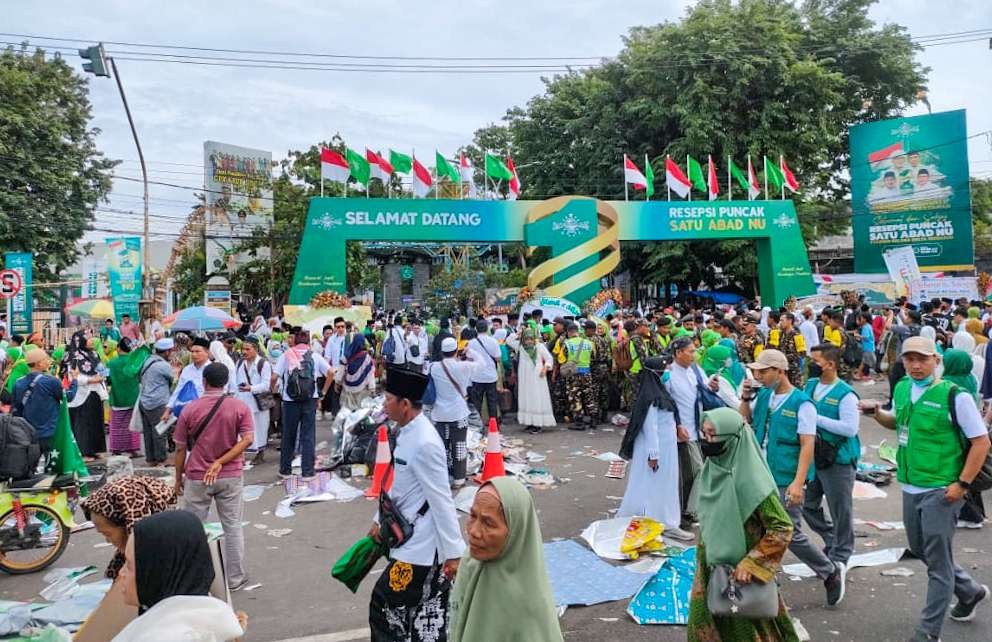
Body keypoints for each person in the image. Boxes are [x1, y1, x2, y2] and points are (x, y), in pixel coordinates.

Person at [865, 337, 990, 641]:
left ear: (937, 360)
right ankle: (969, 591)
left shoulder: (954, 396)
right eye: (909, 359)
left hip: (941, 489)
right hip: (910, 486)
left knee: (937, 564)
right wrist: (877, 414)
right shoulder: (903, 387)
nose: (916, 365)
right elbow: (897, 422)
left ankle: (927, 633)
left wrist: (961, 485)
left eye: (922, 359)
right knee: (921, 550)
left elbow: (981, 442)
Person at [741, 348, 845, 606]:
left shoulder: (802, 403)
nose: (759, 375)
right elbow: (745, 421)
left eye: (764, 371)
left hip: (787, 477)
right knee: (759, 529)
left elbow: (807, 444)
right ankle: (767, 584)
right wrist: (744, 398)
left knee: (789, 532)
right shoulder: (763, 396)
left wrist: (799, 483)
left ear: (780, 371)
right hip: (760, 472)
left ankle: (829, 572)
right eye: (757, 371)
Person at [368, 367, 465, 642]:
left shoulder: (425, 442)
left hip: (421, 547)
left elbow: (441, 498)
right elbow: (399, 488)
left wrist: (454, 553)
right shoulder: (407, 431)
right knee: (425, 617)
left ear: (405, 405)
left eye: (388, 399)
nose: (384, 404)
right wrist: (378, 520)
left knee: (384, 604)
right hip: (407, 537)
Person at [687, 408, 800, 641]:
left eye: (712, 435)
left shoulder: (754, 483)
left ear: (732, 438)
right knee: (705, 625)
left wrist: (752, 563)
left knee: (747, 630)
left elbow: (782, 527)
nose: (706, 441)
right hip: (710, 569)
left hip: (741, 577)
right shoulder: (712, 470)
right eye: (704, 434)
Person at [449, 477, 563, 642]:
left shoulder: (528, 603)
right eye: (473, 516)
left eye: (488, 523)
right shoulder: (469, 561)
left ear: (515, 531)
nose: (474, 531)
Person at [174, 362, 254, 592]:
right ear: (226, 382)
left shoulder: (190, 409)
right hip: (230, 475)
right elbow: (247, 439)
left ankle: (196, 580)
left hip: (197, 476)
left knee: (194, 529)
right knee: (232, 527)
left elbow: (180, 449)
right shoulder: (239, 407)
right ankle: (235, 579)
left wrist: (178, 479)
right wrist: (221, 462)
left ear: (204, 382)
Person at [113, 510, 244, 642]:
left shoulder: (163, 636)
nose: (121, 573)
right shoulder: (212, 614)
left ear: (158, 572)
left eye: (129, 565)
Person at [618, 356, 693, 539]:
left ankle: (661, 521)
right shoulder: (651, 397)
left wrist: (678, 427)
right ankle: (663, 523)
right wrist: (653, 454)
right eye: (665, 369)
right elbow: (649, 427)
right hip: (656, 451)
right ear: (657, 374)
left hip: (666, 449)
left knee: (661, 486)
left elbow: (668, 419)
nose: (668, 372)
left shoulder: (660, 392)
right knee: (658, 487)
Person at [802, 344, 860, 572]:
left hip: (838, 459)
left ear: (831, 365)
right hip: (814, 456)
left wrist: (814, 418)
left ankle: (841, 555)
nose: (811, 365)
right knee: (807, 504)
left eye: (815, 361)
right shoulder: (810, 385)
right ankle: (832, 538)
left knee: (841, 510)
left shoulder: (845, 394)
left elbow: (849, 428)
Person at [79, 475, 175, 579]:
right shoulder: (131, 557)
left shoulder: (157, 568)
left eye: (107, 534)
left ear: (129, 525)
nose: (107, 540)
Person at [273, 331, 333, 480]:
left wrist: (273, 389)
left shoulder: (286, 355)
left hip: (289, 401)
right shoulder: (315, 356)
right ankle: (307, 472)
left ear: (294, 341)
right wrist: (323, 392)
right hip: (309, 400)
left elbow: (274, 376)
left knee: (288, 435)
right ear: (308, 343)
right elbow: (331, 372)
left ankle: (285, 470)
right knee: (308, 435)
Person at [940, 349, 986, 529]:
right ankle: (978, 513)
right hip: (972, 430)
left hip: (956, 435)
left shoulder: (947, 384)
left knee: (959, 477)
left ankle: (970, 516)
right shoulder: (971, 379)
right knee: (971, 475)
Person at [427, 337, 480, 488]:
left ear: (442, 352)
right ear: (456, 350)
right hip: (458, 413)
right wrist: (471, 352)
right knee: (459, 446)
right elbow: (480, 364)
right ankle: (459, 479)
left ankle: (442, 478)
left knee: (441, 448)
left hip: (439, 414)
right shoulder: (463, 367)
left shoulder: (433, 367)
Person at [665, 336, 705, 527]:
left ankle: (690, 509)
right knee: (695, 471)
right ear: (678, 353)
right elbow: (665, 404)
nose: (693, 355)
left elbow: (704, 392)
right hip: (683, 432)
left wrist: (711, 387)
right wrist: (675, 425)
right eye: (690, 351)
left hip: (698, 428)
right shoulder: (669, 374)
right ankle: (687, 512)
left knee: (693, 471)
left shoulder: (696, 370)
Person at [12, 349, 72, 453]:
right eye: (46, 359)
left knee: (30, 465)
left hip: (27, 433)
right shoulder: (51, 381)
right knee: (51, 466)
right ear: (39, 364)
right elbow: (68, 397)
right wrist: (75, 381)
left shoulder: (18, 383)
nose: (49, 361)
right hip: (49, 432)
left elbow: (16, 407)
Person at [63, 331, 108, 462]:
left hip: (96, 393)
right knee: (83, 424)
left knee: (96, 422)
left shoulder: (93, 354)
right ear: (80, 341)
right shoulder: (74, 356)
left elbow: (103, 369)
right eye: (88, 339)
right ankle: (84, 452)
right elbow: (73, 377)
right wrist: (92, 380)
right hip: (81, 394)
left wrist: (103, 375)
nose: (92, 341)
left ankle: (95, 450)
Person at [506, 329, 555, 433]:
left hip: (537, 377)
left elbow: (549, 359)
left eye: (531, 339)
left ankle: (537, 424)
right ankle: (530, 422)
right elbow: (508, 341)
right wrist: (518, 333)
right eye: (526, 339)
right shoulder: (520, 347)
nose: (529, 341)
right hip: (525, 379)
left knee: (536, 398)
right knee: (527, 398)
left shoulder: (539, 346)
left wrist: (545, 368)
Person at [136, 338, 175, 467]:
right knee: (160, 431)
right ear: (167, 352)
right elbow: (173, 380)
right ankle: (161, 459)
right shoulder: (163, 365)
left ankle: (151, 458)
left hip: (144, 401)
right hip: (157, 402)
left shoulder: (147, 361)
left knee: (148, 432)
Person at [236, 336, 272, 464]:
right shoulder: (240, 363)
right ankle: (241, 455)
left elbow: (266, 385)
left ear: (255, 349)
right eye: (243, 349)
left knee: (260, 428)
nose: (244, 352)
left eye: (247, 349)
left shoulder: (263, 364)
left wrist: (251, 388)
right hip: (243, 402)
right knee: (243, 430)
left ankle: (260, 453)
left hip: (258, 402)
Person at [106, 338, 143, 456]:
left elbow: (106, 380)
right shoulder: (135, 362)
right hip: (133, 397)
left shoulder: (110, 363)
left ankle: (116, 450)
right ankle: (133, 450)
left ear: (118, 348)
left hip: (117, 397)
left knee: (117, 425)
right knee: (132, 424)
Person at [162, 337, 211, 425]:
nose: (194, 354)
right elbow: (178, 390)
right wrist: (168, 410)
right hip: (186, 413)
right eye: (192, 351)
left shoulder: (213, 369)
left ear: (207, 352)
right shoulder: (187, 369)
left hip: (206, 413)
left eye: (197, 351)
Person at [467, 319, 502, 428]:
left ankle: (477, 427)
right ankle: (494, 427)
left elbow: (469, 358)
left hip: (477, 376)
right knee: (492, 402)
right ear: (487, 328)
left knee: (477, 403)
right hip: (491, 376)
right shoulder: (493, 341)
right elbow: (498, 358)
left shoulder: (471, 343)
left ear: (476, 329)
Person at [562, 322, 597, 430]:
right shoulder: (589, 343)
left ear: (569, 332)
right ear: (577, 332)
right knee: (589, 396)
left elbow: (563, 358)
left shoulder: (567, 343)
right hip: (586, 372)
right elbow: (593, 357)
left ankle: (579, 422)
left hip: (574, 373)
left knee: (575, 397)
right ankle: (593, 419)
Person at [340, 333, 376, 411]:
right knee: (359, 411)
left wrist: (338, 382)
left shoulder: (347, 355)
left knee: (347, 410)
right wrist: (372, 388)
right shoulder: (367, 357)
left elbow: (341, 371)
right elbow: (370, 374)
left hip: (348, 388)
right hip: (362, 389)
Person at [322, 317, 348, 419]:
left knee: (346, 393)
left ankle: (346, 414)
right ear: (334, 328)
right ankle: (336, 415)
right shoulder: (331, 340)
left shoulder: (349, 337)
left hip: (347, 370)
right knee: (335, 393)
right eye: (338, 327)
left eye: (342, 326)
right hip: (336, 370)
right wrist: (327, 371)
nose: (341, 329)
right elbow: (327, 356)